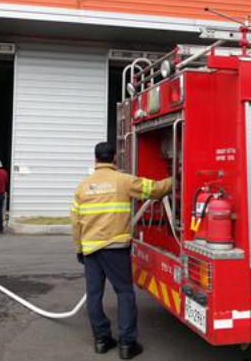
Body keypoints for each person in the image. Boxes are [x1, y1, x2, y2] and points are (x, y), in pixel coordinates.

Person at [70, 142, 172, 360]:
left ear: (95, 159)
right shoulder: (124, 181)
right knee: (124, 292)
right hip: (115, 249)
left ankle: (101, 340)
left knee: (94, 295)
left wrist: (79, 248)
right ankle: (127, 344)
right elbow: (155, 190)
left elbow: (75, 222)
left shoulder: (83, 186)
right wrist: (177, 178)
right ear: (115, 158)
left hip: (90, 249)